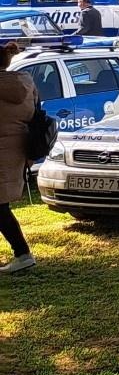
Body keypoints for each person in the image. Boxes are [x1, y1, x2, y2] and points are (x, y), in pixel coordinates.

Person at [0, 41, 39, 273]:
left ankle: (23, 254)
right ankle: (23, 254)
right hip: (17, 150)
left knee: (0, 208)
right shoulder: (25, 83)